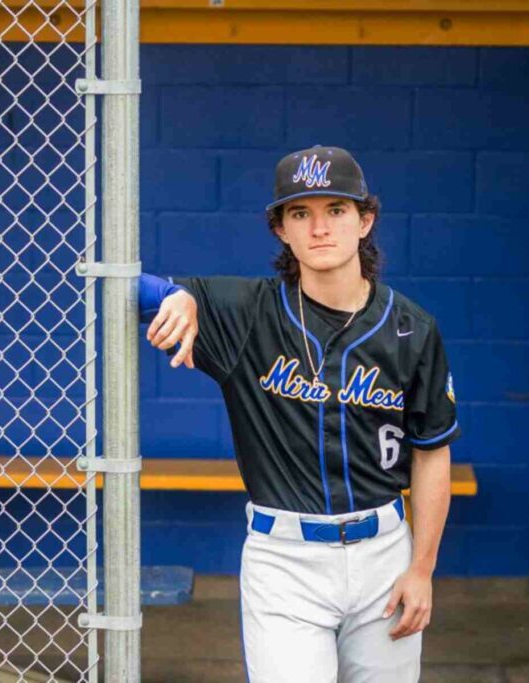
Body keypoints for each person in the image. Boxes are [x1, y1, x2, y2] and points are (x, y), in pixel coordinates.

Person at [138, 145, 459, 682]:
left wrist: (422, 569)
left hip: (385, 554)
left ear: (365, 221)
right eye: (300, 213)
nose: (319, 228)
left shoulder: (412, 329)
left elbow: (432, 455)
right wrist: (179, 296)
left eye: (336, 210)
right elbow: (124, 286)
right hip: (284, 560)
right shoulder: (246, 314)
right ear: (281, 230)